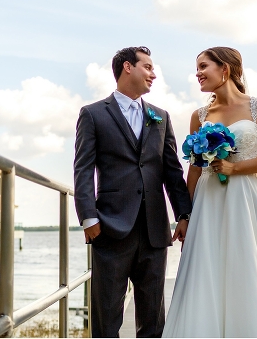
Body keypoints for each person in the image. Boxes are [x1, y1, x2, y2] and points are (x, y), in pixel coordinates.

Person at [163, 47, 257, 338]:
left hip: (247, 198)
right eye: (197, 67)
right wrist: (184, 216)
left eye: (203, 66)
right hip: (208, 201)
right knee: (207, 268)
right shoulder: (199, 115)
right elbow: (194, 170)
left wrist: (234, 168)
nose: (197, 73)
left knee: (247, 263)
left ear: (225, 69)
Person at [74, 46, 193, 338]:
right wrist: (88, 218)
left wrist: (183, 214)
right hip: (110, 228)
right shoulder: (93, 114)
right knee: (106, 319)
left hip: (154, 230)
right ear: (128, 67)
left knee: (153, 320)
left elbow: (172, 171)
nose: (153, 74)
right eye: (148, 67)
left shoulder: (161, 116)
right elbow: (83, 169)